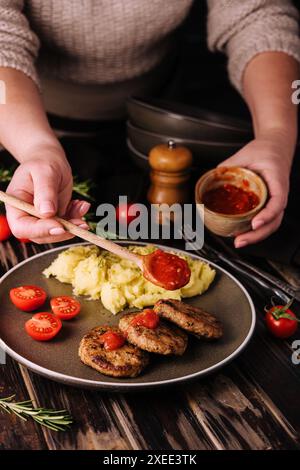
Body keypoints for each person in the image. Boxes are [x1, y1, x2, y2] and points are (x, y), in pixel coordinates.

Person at [0, 0, 299, 248]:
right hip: (26, 118)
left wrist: (276, 135)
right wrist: (37, 148)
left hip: (163, 114)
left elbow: (259, 15)